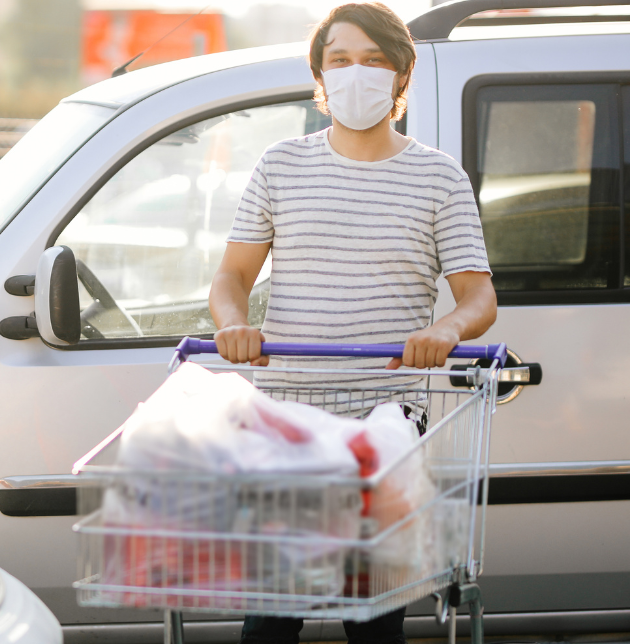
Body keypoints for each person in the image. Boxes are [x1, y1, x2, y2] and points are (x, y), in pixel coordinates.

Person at [207, 3, 498, 643]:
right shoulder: (280, 166)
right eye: (340, 60)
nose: (355, 74)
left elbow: (478, 298)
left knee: (370, 619)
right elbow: (231, 279)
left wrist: (446, 331)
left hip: (385, 421)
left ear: (401, 77)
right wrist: (233, 324)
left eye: (374, 61)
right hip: (289, 422)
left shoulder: (439, 177)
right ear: (319, 74)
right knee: (271, 620)